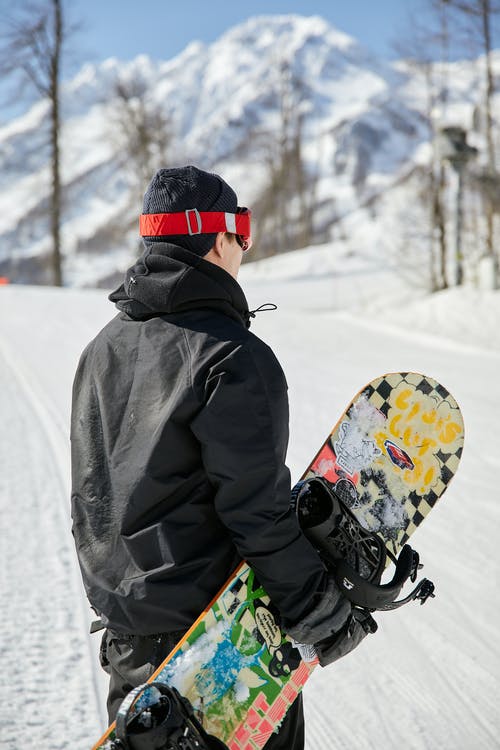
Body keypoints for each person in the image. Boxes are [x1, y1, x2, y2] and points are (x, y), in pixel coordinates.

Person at [70, 165, 369, 750]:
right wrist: (318, 609)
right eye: (243, 233)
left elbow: (92, 499)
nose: (245, 252)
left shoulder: (99, 349)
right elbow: (256, 512)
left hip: (131, 647)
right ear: (219, 236)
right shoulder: (234, 357)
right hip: (222, 647)